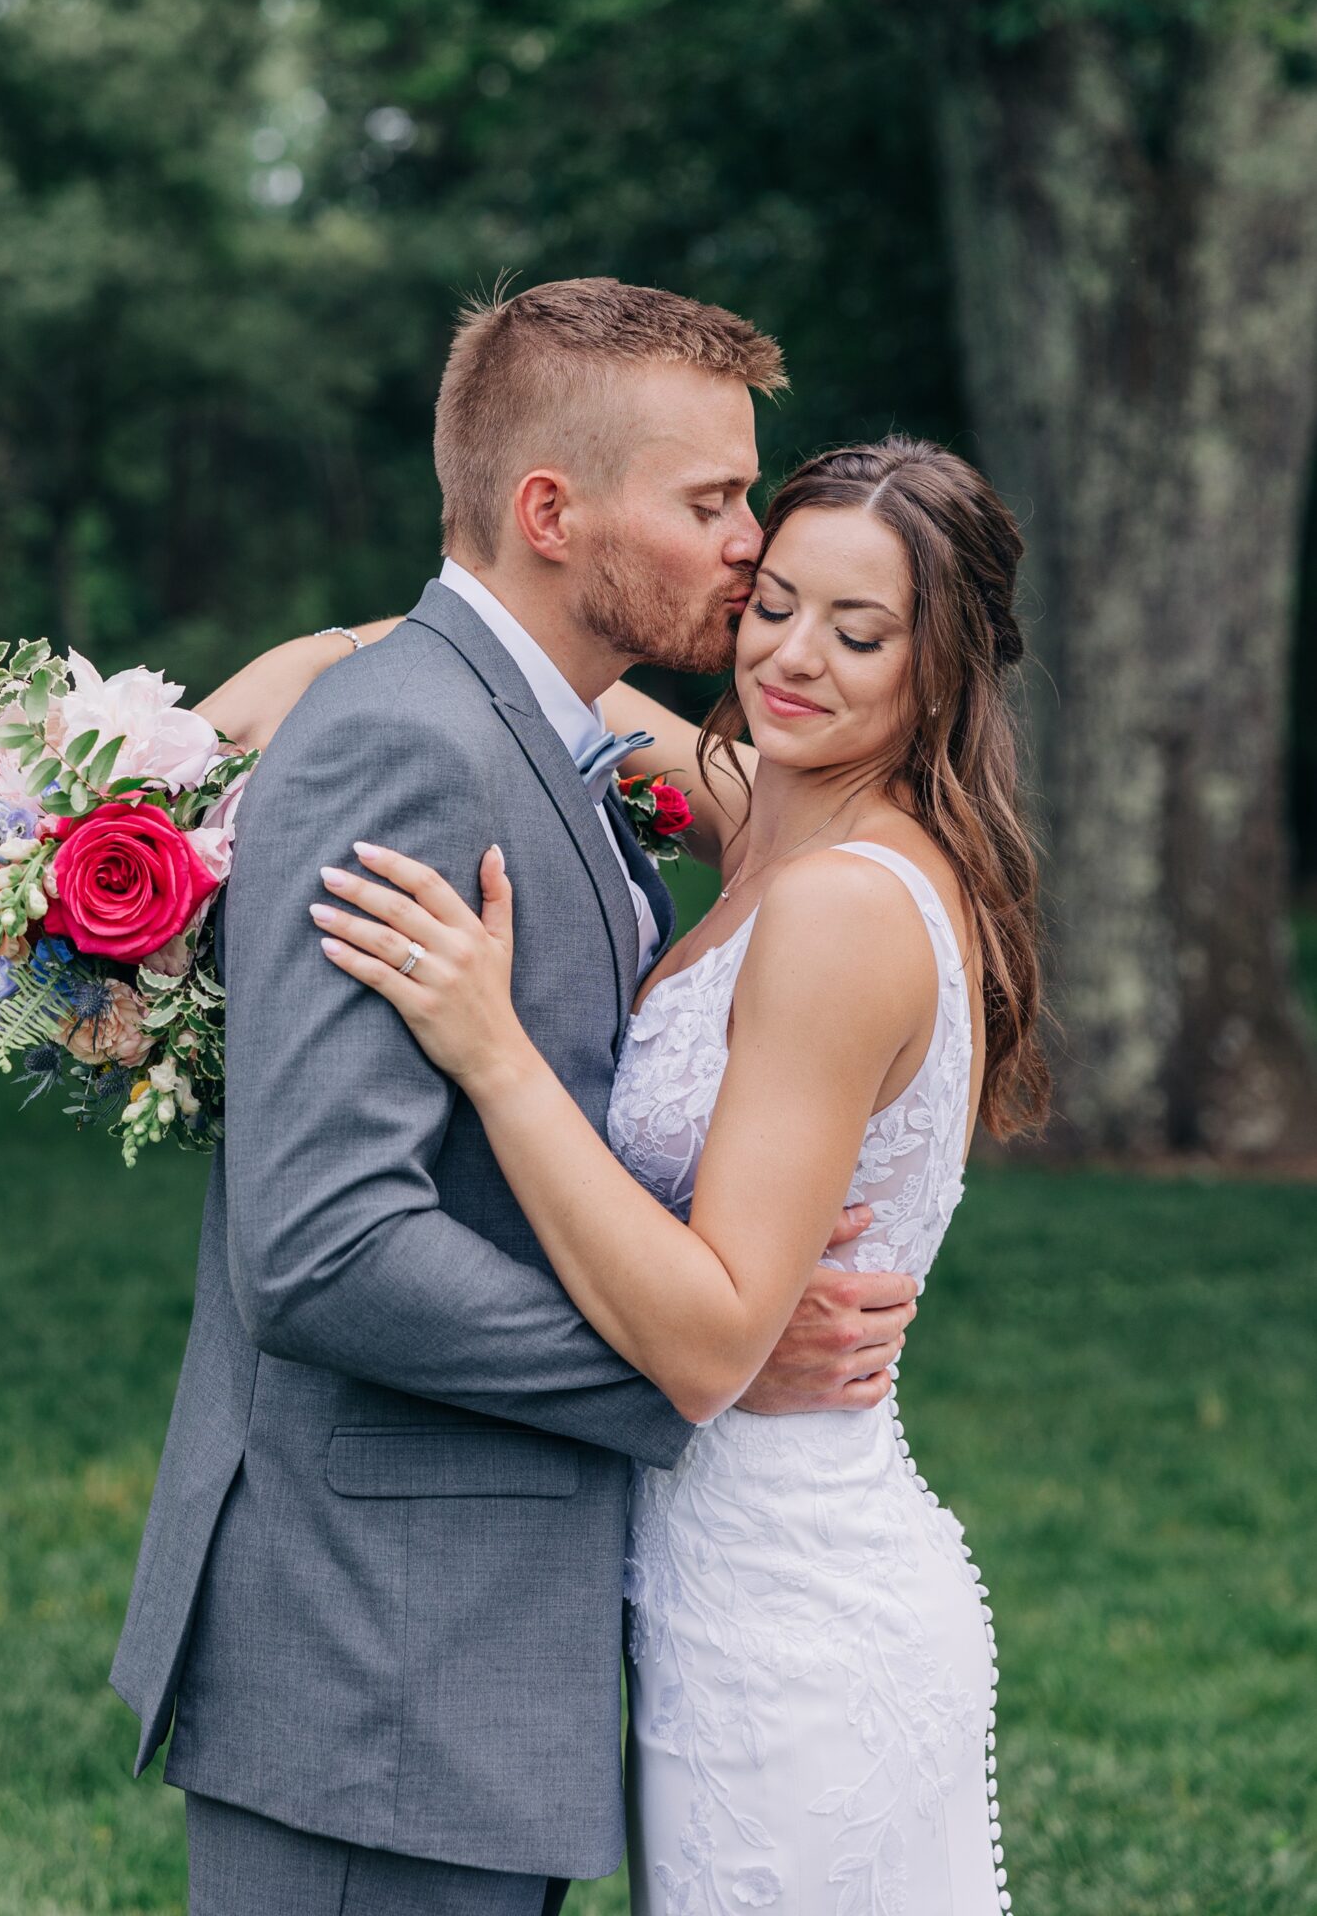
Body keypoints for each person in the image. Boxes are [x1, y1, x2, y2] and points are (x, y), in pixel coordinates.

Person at [109, 278, 923, 1915]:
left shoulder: (532, 735)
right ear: (552, 512)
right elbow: (327, 1247)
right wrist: (695, 1371)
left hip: (469, 1668)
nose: (751, 543)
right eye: (710, 501)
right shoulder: (405, 744)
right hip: (372, 1664)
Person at [307, 435, 1047, 1914]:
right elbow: (427, 657)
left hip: (787, 1623)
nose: (792, 660)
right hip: (705, 1584)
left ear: (944, 666)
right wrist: (112, 804)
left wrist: (491, 1047)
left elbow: (713, 1340)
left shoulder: (842, 906)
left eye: (861, 633)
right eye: (774, 603)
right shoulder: (770, 811)